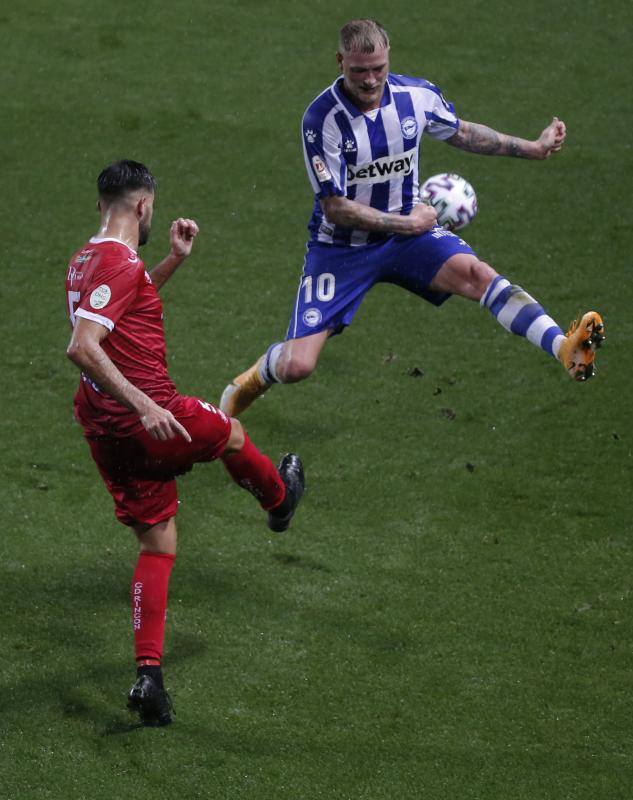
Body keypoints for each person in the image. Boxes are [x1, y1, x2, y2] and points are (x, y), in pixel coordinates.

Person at [220, 18, 604, 419]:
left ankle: (564, 347)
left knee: (479, 275)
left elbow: (463, 133)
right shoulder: (322, 120)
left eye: (378, 69)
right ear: (339, 62)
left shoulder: (415, 96)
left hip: (409, 235)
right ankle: (250, 380)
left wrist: (534, 147)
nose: (370, 80)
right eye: (359, 71)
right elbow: (335, 206)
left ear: (389, 60)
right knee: (297, 366)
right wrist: (409, 224)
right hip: (341, 249)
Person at [65, 160, 304, 727]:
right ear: (143, 205)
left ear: (103, 203)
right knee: (232, 432)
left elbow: (124, 305)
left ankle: (149, 678)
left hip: (100, 425)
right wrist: (147, 406)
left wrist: (171, 261)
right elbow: (83, 344)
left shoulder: (86, 260)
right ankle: (279, 501)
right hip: (148, 417)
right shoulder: (120, 264)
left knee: (158, 543)